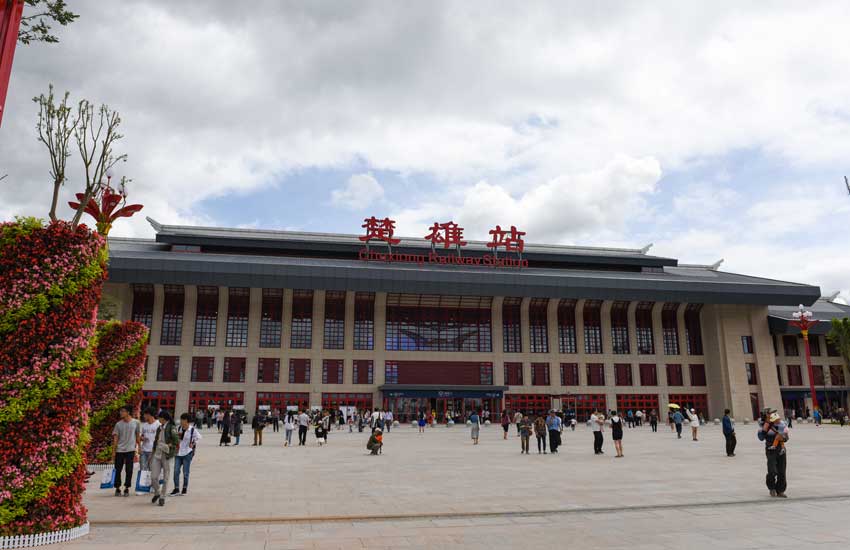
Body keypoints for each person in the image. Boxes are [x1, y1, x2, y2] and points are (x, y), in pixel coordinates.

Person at [149, 410, 179, 506]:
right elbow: (155, 441)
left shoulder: (171, 427)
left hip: (167, 455)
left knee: (166, 478)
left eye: (159, 417)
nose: (158, 419)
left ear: (163, 418)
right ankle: (157, 492)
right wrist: (152, 453)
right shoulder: (159, 428)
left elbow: (176, 441)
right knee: (153, 477)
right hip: (157, 454)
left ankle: (162, 496)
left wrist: (168, 445)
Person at [758, 410, 789, 497]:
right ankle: (771, 487)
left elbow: (786, 438)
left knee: (782, 471)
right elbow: (761, 438)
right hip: (770, 450)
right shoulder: (763, 426)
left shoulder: (781, 424)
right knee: (772, 471)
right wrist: (765, 427)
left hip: (781, 450)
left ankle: (780, 490)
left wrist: (782, 438)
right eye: (768, 415)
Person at [111, 406, 141, 497]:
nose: (121, 413)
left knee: (129, 470)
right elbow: (115, 439)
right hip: (120, 450)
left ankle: (127, 488)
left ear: (128, 412)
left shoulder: (136, 423)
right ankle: (117, 488)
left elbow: (137, 436)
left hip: (130, 450)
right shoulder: (118, 424)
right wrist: (114, 452)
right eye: (120, 411)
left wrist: (139, 447)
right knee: (118, 469)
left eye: (123, 411)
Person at [171, 413, 201, 496]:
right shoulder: (178, 428)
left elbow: (199, 437)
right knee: (176, 471)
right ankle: (176, 488)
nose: (181, 421)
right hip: (178, 453)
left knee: (185, 472)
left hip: (187, 453)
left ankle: (184, 488)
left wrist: (193, 443)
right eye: (181, 419)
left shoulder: (192, 430)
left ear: (187, 421)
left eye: (182, 420)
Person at [139, 408, 160, 473]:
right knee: (143, 469)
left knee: (152, 470)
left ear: (149, 415)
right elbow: (141, 436)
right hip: (144, 450)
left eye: (144, 415)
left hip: (153, 451)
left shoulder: (158, 424)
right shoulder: (144, 425)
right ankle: (143, 480)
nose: (143, 416)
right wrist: (142, 438)